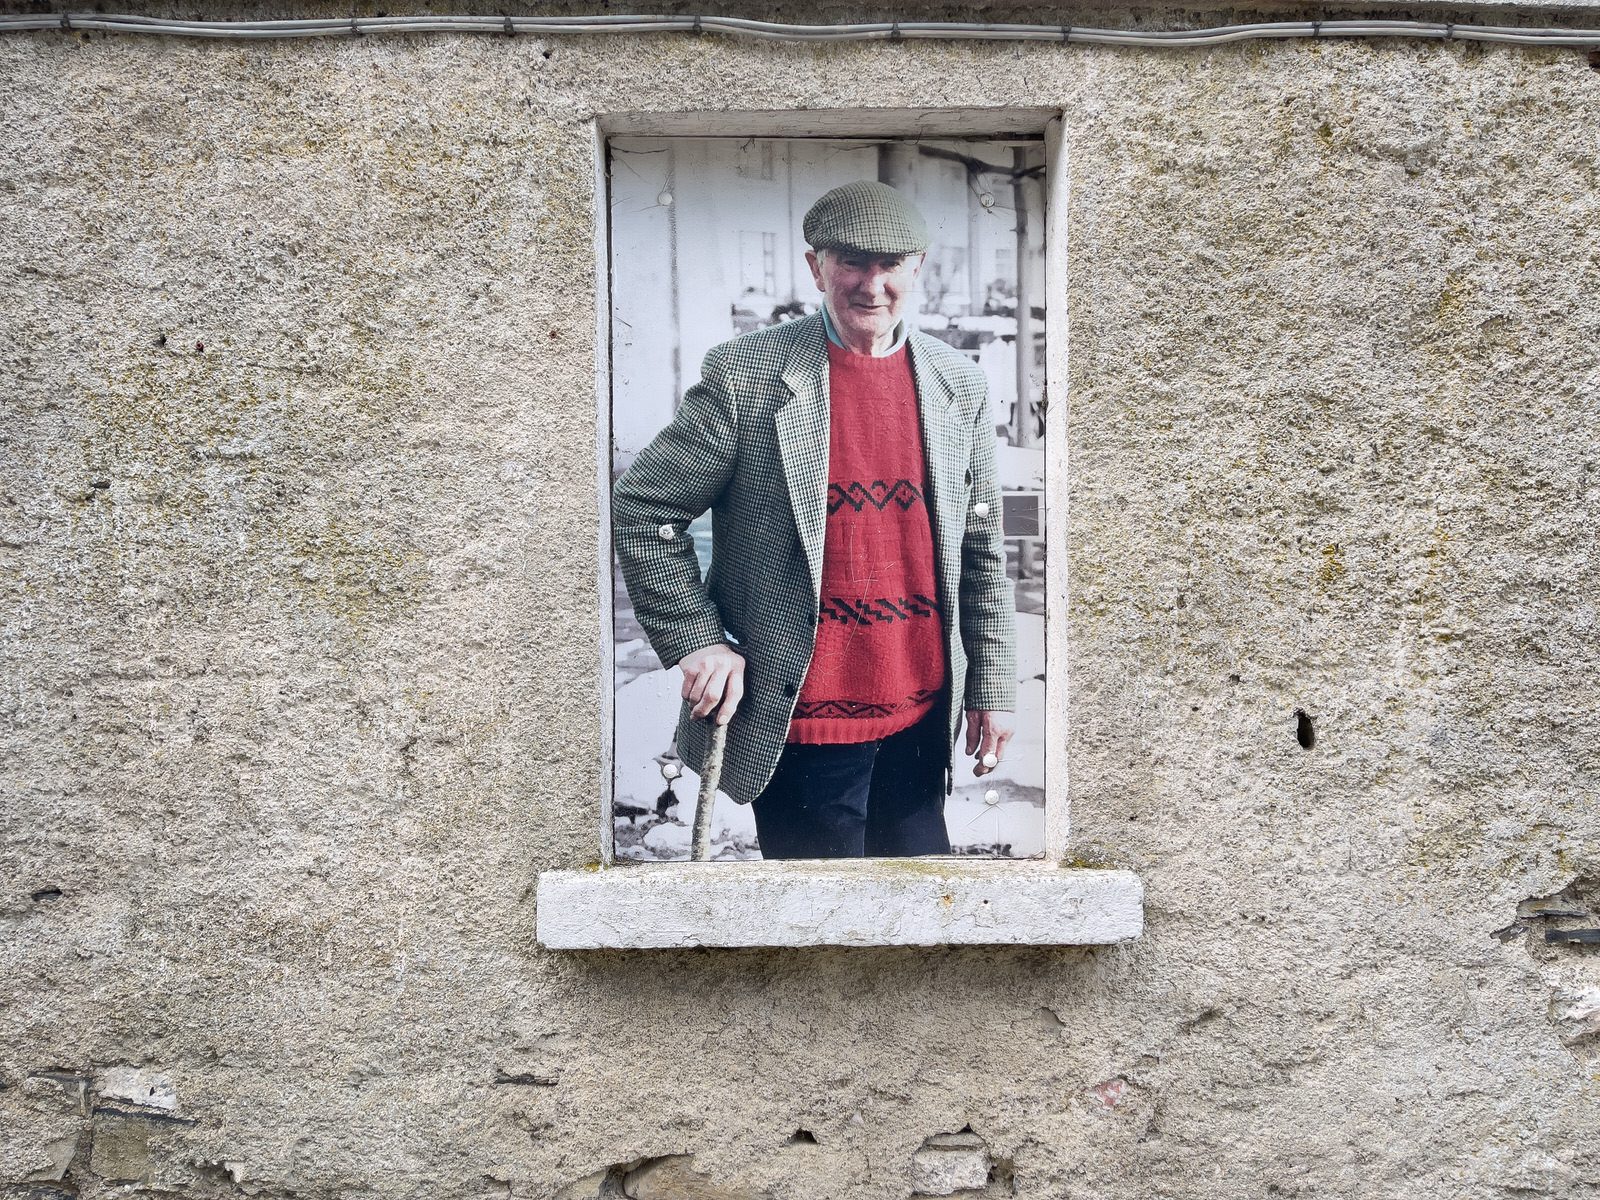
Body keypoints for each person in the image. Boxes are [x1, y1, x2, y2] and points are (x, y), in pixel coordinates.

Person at [613, 180, 1017, 859]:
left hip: (922, 720)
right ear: (817, 266)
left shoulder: (958, 384)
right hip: (804, 725)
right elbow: (646, 509)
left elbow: (981, 547)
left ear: (917, 268)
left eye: (890, 263)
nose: (872, 283)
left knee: (918, 925)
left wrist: (993, 685)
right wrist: (697, 640)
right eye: (852, 261)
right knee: (823, 939)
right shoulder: (748, 375)